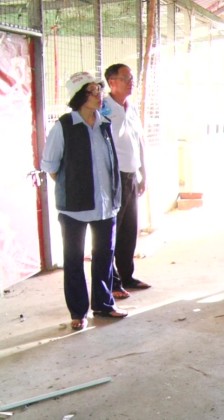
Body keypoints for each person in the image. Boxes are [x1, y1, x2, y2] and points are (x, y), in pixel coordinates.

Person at [41, 71, 128, 330]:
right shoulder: (64, 127)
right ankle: (78, 312)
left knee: (104, 256)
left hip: (106, 206)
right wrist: (74, 187)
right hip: (74, 208)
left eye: (100, 89)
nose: (99, 95)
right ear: (79, 96)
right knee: (74, 259)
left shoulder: (104, 124)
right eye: (93, 91)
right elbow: (51, 165)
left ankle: (103, 304)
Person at [102, 63, 150, 299]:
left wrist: (143, 173)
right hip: (114, 177)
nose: (132, 82)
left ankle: (127, 276)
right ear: (112, 82)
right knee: (112, 231)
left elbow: (139, 142)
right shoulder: (103, 109)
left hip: (131, 175)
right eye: (126, 78)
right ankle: (112, 282)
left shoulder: (130, 108)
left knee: (130, 230)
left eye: (131, 78)